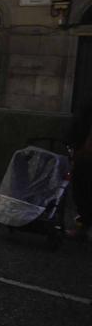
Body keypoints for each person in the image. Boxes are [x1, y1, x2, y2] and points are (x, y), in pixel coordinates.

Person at [66, 99, 92, 240]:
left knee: (83, 191)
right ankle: (83, 226)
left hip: (85, 154)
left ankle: (83, 227)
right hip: (83, 150)